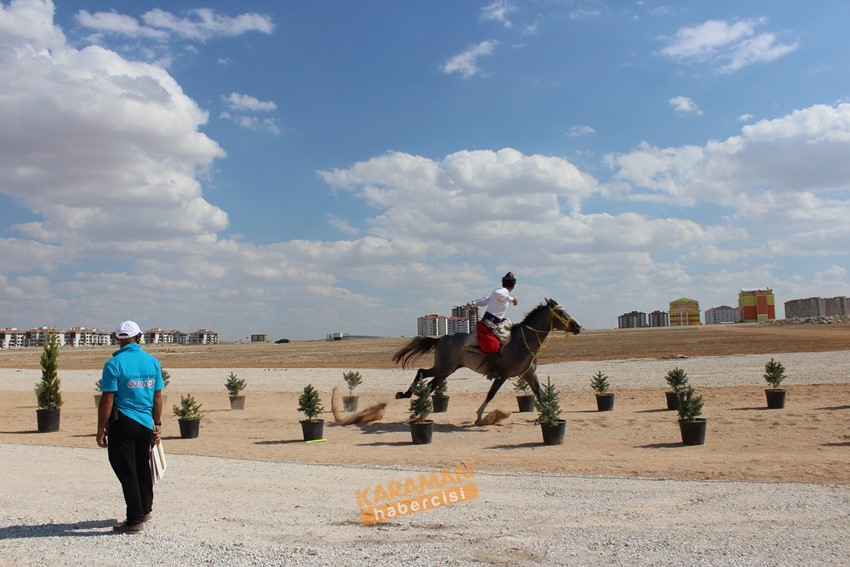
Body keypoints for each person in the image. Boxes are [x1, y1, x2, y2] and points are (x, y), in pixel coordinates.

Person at [96, 320, 164, 534]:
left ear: (118, 339)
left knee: (126, 470)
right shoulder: (152, 362)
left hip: (123, 422)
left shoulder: (114, 364)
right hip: (145, 423)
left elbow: (107, 399)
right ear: (139, 337)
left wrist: (100, 429)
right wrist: (158, 424)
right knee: (142, 467)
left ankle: (134, 520)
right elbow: (158, 396)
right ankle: (145, 509)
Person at [467, 272, 518, 378]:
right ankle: (491, 371)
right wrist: (512, 300)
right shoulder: (499, 292)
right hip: (487, 325)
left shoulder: (499, 294)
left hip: (497, 323)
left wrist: (473, 303)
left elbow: (485, 301)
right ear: (513, 286)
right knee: (493, 344)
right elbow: (500, 295)